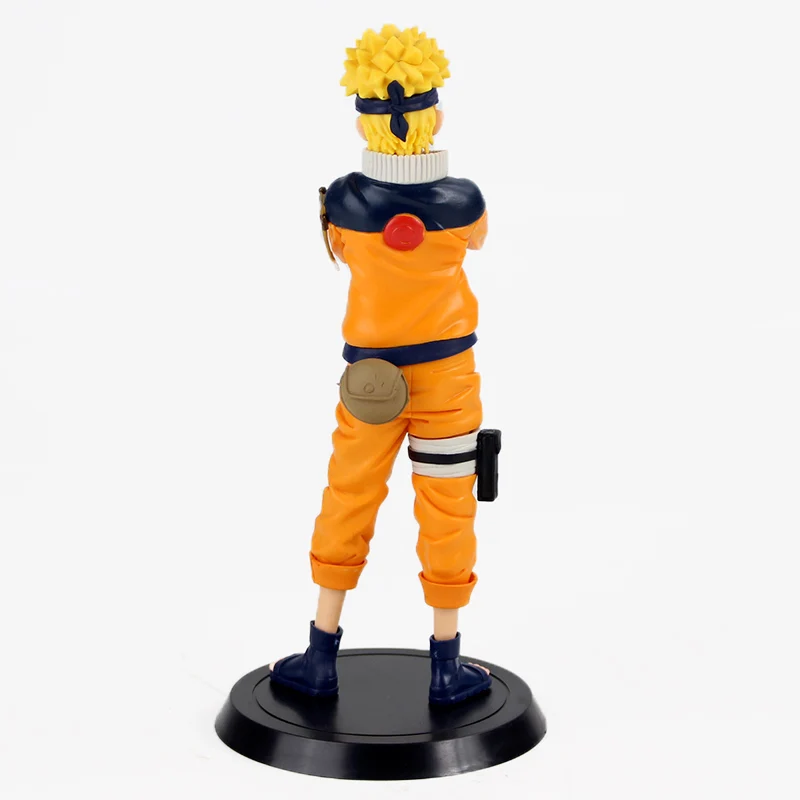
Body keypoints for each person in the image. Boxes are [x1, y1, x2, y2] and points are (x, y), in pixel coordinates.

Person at [269, 24, 493, 705]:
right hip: (448, 379)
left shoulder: (343, 202)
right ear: (436, 118)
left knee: (349, 496)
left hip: (370, 382)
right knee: (448, 506)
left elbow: (341, 251)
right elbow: (476, 242)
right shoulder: (464, 202)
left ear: (362, 122)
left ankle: (320, 653)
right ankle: (447, 665)